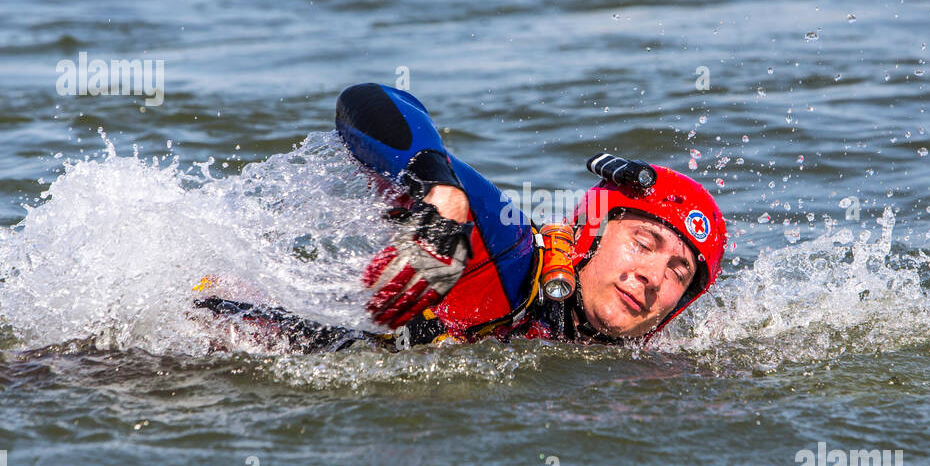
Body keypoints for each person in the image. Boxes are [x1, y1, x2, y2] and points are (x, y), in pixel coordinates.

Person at [193, 83, 727, 352]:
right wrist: (441, 189)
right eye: (643, 241)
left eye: (680, 273)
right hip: (197, 341)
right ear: (592, 231)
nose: (654, 277)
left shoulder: (628, 366)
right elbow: (368, 100)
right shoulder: (509, 249)